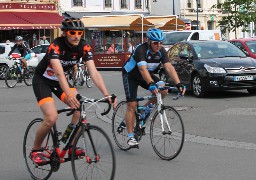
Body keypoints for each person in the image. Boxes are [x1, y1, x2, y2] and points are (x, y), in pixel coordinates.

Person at [30, 16, 116, 165]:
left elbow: (93, 72)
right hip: (42, 81)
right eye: (72, 33)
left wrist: (106, 94)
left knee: (79, 108)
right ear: (64, 33)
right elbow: (59, 73)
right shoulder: (56, 46)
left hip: (59, 82)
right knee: (51, 117)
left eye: (79, 33)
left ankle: (69, 144)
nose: (76, 36)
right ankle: (35, 150)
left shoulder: (84, 47)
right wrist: (69, 95)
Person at [122, 28, 186, 147]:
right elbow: (142, 69)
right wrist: (151, 84)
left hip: (146, 75)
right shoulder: (141, 50)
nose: (159, 45)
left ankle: (144, 109)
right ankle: (130, 137)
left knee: (163, 90)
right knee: (132, 104)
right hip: (131, 75)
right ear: (149, 41)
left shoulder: (161, 51)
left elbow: (169, 67)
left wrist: (178, 83)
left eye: (161, 42)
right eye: (156, 43)